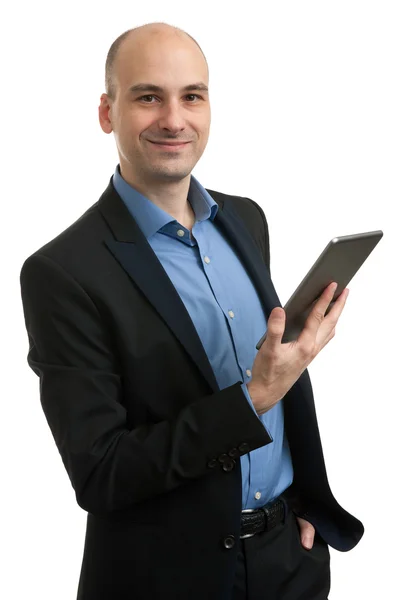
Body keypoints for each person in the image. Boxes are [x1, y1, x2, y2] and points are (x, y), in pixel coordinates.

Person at [19, 22, 364, 600]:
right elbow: (102, 472)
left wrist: (304, 501)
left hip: (289, 562)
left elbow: (281, 386)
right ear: (107, 112)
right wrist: (254, 398)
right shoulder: (63, 272)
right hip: (168, 578)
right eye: (148, 96)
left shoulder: (245, 220)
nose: (174, 119)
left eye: (192, 96)